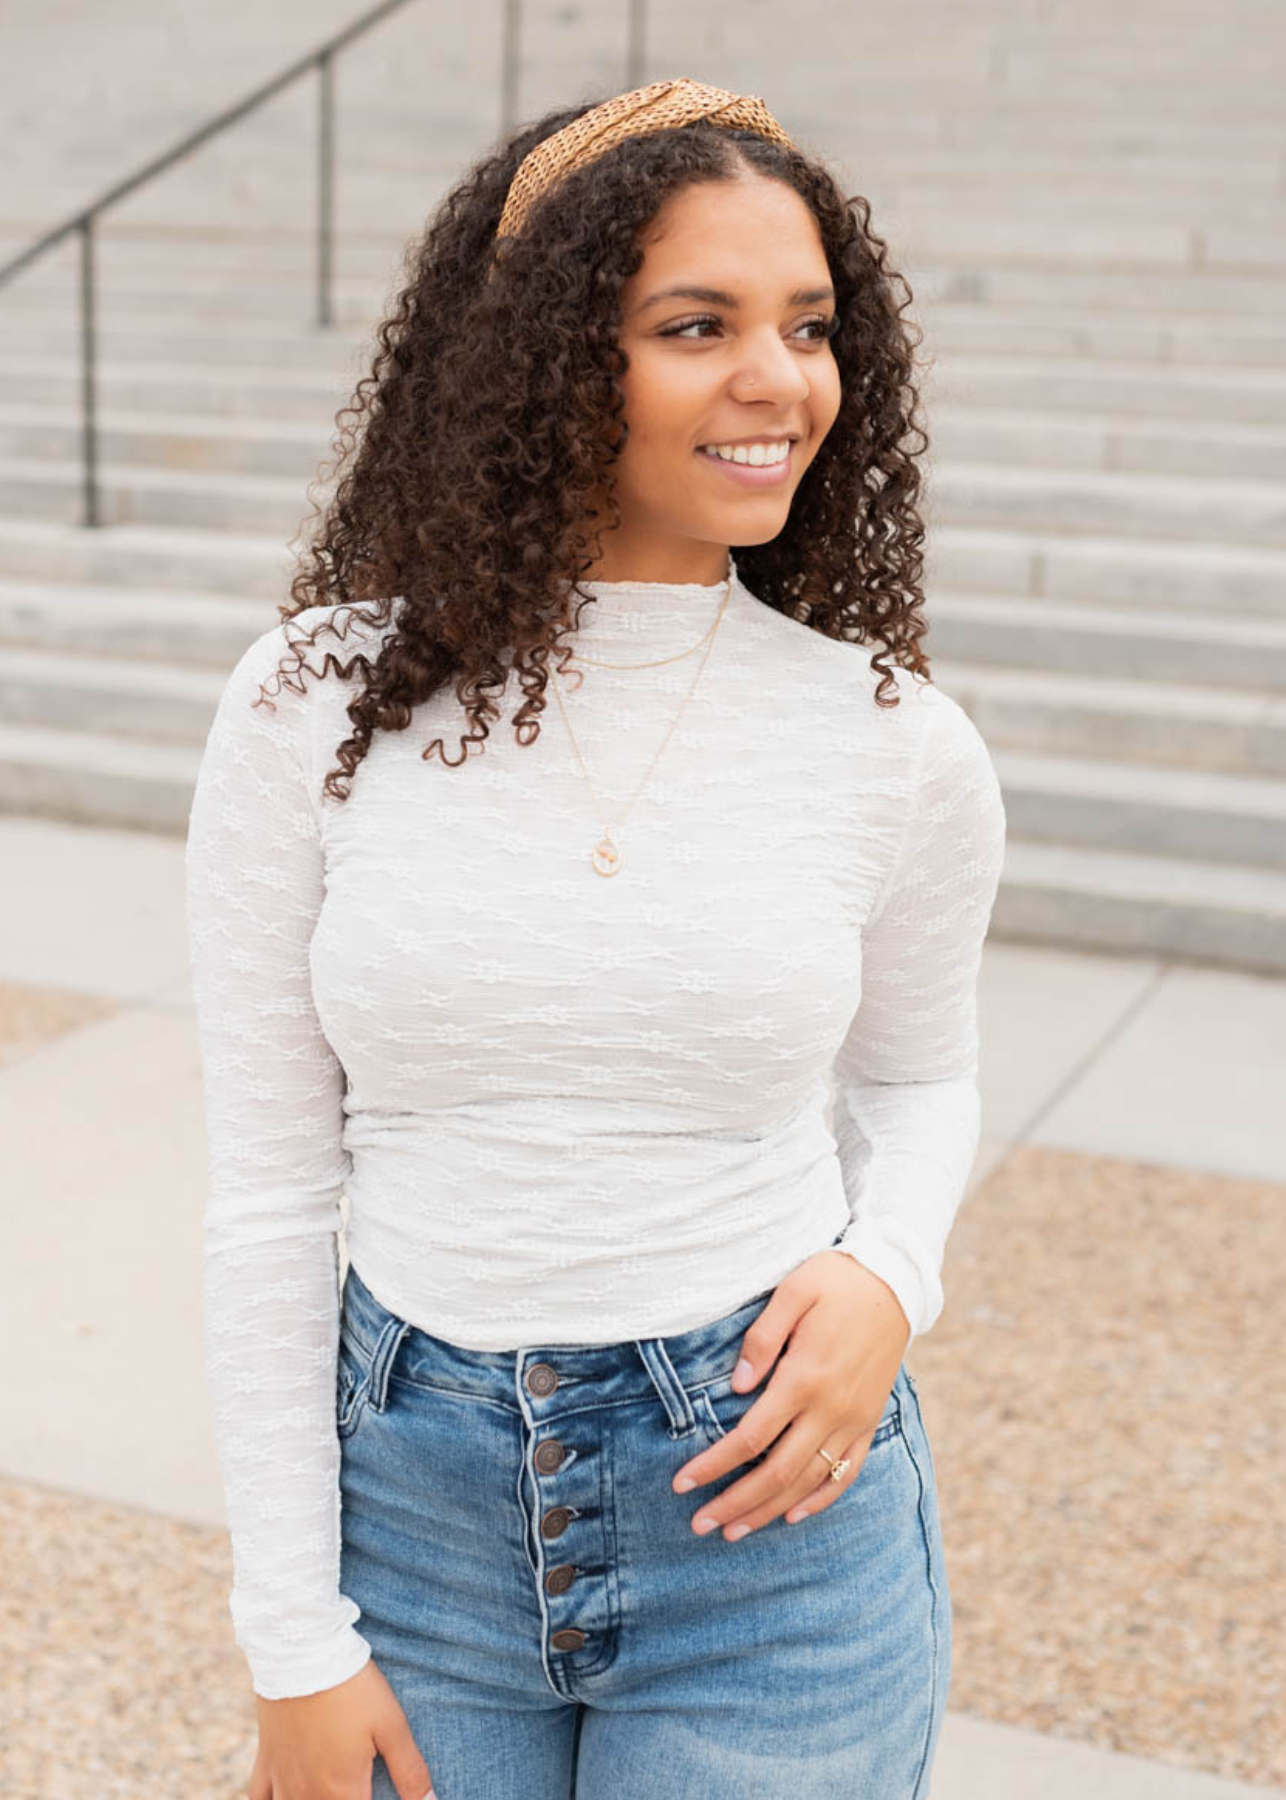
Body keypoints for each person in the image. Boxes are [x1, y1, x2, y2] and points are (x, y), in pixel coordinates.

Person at [185, 75, 1007, 1800]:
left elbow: (921, 1078)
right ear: (544, 359)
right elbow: (269, 1188)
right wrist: (291, 1638)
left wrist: (888, 1277)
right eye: (694, 325)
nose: (776, 381)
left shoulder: (887, 740)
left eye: (808, 325)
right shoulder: (314, 705)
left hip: (772, 1530)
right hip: (408, 1524)